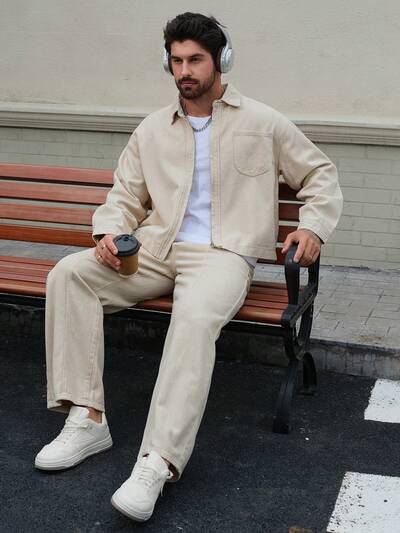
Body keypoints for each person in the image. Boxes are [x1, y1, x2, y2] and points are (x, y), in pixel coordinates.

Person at [34, 12, 343, 522]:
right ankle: (86, 419)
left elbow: (321, 175)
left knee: (194, 316)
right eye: (176, 60)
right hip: (155, 248)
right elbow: (124, 196)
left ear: (221, 61)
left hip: (224, 255)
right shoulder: (152, 129)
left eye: (195, 59)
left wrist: (311, 227)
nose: (184, 71)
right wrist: (109, 233)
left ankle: (157, 461)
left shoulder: (263, 122)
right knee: (69, 274)